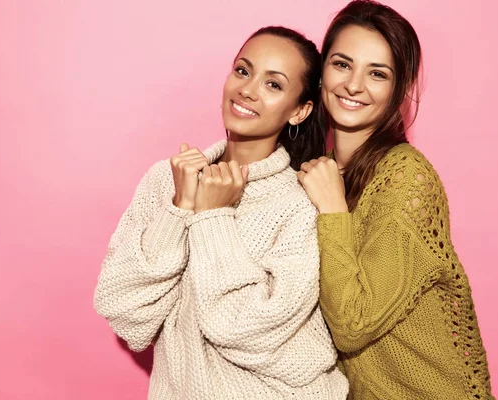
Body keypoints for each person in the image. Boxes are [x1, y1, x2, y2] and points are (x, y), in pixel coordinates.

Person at [94, 26, 349, 399]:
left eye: (273, 84)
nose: (247, 89)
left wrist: (212, 217)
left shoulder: (301, 203)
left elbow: (246, 328)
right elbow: (126, 314)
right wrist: (180, 207)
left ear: (300, 111)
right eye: (243, 71)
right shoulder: (168, 181)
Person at [297, 1, 493, 399]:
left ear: (399, 89)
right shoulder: (323, 173)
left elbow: (353, 323)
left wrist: (333, 210)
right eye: (342, 64)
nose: (354, 85)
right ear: (321, 75)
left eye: (377, 74)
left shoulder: (406, 177)